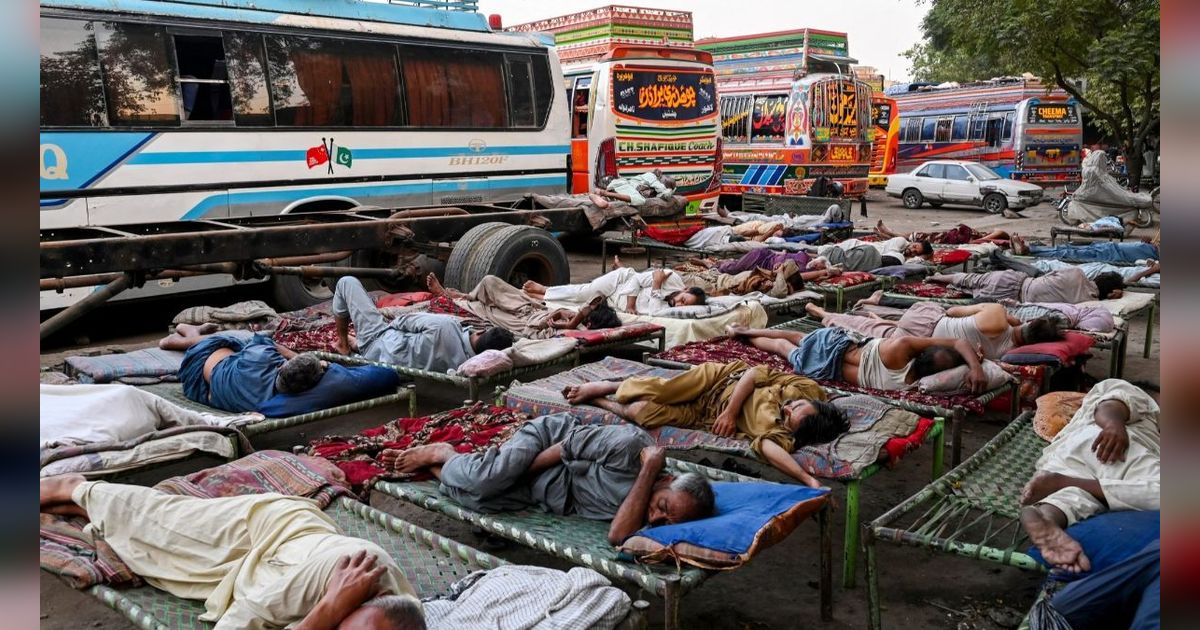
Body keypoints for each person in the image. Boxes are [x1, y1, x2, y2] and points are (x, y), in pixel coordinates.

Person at [39, 475, 426, 629]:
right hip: (267, 530)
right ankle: (70, 489)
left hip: (259, 569)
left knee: (145, 552)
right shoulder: (344, 574)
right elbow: (237, 622)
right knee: (154, 520)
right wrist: (326, 611)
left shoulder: (401, 615)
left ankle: (78, 508)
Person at [381, 413, 715, 544]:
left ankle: (448, 464)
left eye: (663, 520)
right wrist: (510, 474)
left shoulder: (646, 495)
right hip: (548, 443)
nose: (654, 517)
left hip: (553, 490)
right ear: (668, 478)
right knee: (489, 478)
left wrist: (648, 475)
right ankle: (444, 453)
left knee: (476, 499)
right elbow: (566, 446)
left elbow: (617, 536)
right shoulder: (629, 447)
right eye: (661, 505)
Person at [561, 362, 847, 489]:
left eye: (788, 417)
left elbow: (772, 450)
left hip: (705, 416)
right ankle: (609, 385)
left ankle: (599, 400)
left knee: (645, 414)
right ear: (816, 405)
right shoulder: (807, 388)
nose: (786, 409)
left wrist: (808, 479)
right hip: (722, 380)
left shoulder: (785, 435)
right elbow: (753, 374)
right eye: (793, 405)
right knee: (662, 390)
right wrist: (732, 412)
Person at [1018, 379, 1159, 574]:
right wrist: (1113, 425)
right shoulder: (1139, 395)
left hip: (1065, 456)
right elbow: (1111, 405)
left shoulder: (1083, 416)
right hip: (1115, 446)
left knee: (1073, 500)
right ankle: (1064, 483)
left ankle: (1046, 517)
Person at [725, 324, 989, 393]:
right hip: (824, 368)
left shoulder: (902, 347)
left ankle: (743, 332)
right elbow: (957, 352)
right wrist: (973, 365)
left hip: (835, 346)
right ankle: (745, 334)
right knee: (782, 347)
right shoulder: (908, 384)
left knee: (793, 336)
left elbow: (958, 342)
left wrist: (974, 364)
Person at [331, 276, 513, 372]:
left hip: (378, 341)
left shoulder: (446, 326)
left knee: (347, 282)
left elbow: (402, 321)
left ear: (481, 332)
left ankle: (345, 345)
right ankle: (356, 344)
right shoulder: (465, 364)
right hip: (387, 358)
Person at [806, 300, 1064, 360]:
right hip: (923, 341)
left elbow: (953, 311)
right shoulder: (1008, 354)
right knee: (872, 329)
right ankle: (833, 316)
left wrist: (1011, 319)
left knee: (877, 326)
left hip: (925, 322)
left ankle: (822, 312)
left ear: (1028, 322)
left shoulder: (997, 315)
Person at [161, 324, 327, 413]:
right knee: (240, 348)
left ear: (281, 366)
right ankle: (191, 330)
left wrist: (295, 356)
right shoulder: (271, 402)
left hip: (198, 366)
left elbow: (263, 341)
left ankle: (177, 339)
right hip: (204, 392)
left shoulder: (261, 359)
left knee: (233, 339)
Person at [425, 274, 621, 339]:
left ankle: (452, 298)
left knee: (484, 310)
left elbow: (545, 326)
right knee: (490, 281)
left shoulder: (576, 333)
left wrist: (569, 324)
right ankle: (466, 295)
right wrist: (570, 317)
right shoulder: (578, 319)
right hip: (530, 309)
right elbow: (597, 298)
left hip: (524, 322)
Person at [523, 261, 707, 315]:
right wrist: (631, 306)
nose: (680, 305)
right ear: (685, 290)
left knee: (582, 303)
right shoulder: (670, 276)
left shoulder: (669, 309)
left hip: (616, 300)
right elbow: (635, 280)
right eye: (684, 300)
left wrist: (656, 285)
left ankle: (543, 297)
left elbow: (655, 311)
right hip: (621, 280)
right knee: (585, 292)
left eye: (685, 306)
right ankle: (545, 289)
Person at [927, 267, 1123, 303]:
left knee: (970, 280)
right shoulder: (1087, 301)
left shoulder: (1077, 273)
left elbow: (1050, 275)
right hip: (1015, 298)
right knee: (970, 292)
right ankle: (940, 282)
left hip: (1018, 281)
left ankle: (936, 278)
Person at [1010, 234, 1159, 263]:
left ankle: (1029, 250)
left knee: (1069, 252)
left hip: (1112, 254)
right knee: (1068, 248)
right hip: (1111, 248)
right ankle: (1031, 249)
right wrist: (1147, 243)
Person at [874, 219, 1011, 245]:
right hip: (953, 236)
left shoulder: (999, 239)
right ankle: (888, 234)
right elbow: (997, 232)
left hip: (954, 239)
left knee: (916, 238)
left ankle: (888, 234)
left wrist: (975, 241)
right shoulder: (999, 238)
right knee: (917, 236)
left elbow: (997, 232)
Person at [595, 169, 676, 207]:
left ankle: (600, 196)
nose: (665, 180)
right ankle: (605, 193)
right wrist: (670, 189)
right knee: (640, 200)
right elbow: (666, 193)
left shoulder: (652, 181)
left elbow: (663, 194)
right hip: (625, 186)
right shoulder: (653, 178)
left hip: (620, 186)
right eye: (666, 179)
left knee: (638, 198)